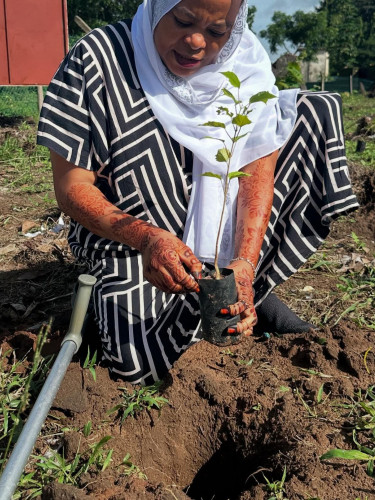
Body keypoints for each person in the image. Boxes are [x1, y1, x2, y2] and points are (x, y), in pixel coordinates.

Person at [37, 0, 359, 385]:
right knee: (136, 364)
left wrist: (245, 261)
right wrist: (147, 237)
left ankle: (244, 287)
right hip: (134, 247)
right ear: (158, 6)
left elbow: (255, 173)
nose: (195, 42)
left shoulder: (243, 65)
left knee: (313, 111)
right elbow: (72, 187)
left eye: (217, 31)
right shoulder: (98, 61)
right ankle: (114, 303)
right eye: (183, 20)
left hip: (223, 244)